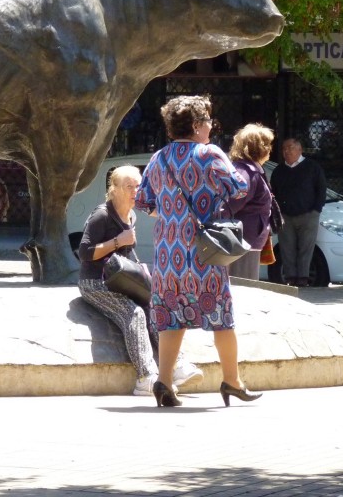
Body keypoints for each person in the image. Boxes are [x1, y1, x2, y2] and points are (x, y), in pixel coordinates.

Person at [135, 95, 260, 408]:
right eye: (207, 121)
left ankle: (164, 382)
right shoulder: (209, 153)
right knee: (221, 317)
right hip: (204, 253)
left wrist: (171, 214)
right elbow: (239, 189)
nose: (210, 127)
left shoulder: (159, 158)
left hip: (167, 256)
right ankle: (232, 380)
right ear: (195, 125)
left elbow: (143, 202)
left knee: (170, 318)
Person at [77, 165, 202, 396]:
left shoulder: (131, 215)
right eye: (129, 186)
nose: (136, 191)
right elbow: (84, 253)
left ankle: (176, 366)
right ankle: (145, 377)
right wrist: (118, 241)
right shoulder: (102, 214)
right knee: (133, 313)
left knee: (157, 306)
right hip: (96, 283)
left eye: (139, 186)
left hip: (121, 281)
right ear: (113, 189)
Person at [269, 137, 326, 287]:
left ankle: (303, 278)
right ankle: (290, 277)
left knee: (306, 248)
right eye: (284, 148)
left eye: (290, 147)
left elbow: (321, 190)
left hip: (308, 215)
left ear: (299, 149)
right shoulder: (279, 170)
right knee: (287, 248)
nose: (287, 151)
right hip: (286, 216)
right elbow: (273, 193)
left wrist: (316, 210)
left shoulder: (312, 167)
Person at [225, 124, 276, 281]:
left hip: (244, 240)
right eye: (268, 144)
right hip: (242, 242)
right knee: (244, 289)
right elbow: (231, 204)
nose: (270, 148)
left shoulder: (248, 170)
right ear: (259, 147)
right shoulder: (246, 172)